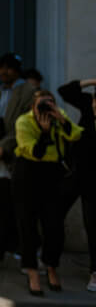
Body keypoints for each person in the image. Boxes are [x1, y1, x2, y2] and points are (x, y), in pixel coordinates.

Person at [13, 90, 83, 295]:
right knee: (27, 225)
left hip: (52, 176)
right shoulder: (23, 122)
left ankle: (51, 266)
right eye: (41, 105)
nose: (46, 108)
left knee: (54, 226)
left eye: (50, 104)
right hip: (27, 173)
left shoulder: (58, 116)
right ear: (32, 108)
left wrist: (60, 118)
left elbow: (76, 134)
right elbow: (34, 152)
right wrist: (44, 132)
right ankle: (32, 271)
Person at [0, 52, 35, 272]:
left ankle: (0, 251)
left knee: (15, 206)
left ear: (17, 69)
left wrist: (7, 145)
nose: (4, 71)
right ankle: (2, 250)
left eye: (9, 67)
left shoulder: (27, 91)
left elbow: (25, 124)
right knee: (2, 203)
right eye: (2, 67)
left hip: (18, 155)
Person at [57, 78, 96, 292]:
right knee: (54, 212)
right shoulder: (87, 105)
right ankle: (49, 260)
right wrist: (92, 81)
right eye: (95, 102)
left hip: (93, 183)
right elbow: (64, 90)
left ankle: (94, 272)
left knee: (93, 227)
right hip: (75, 175)